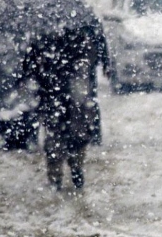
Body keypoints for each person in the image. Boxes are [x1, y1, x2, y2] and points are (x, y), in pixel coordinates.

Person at [21, 11, 109, 191]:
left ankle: (61, 172)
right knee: (68, 133)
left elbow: (30, 66)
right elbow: (89, 56)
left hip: (57, 93)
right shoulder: (77, 33)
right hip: (63, 92)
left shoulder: (43, 36)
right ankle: (69, 169)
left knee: (61, 133)